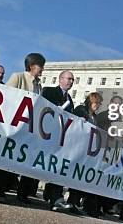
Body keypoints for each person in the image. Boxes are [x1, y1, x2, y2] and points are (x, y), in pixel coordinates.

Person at [0, 53, 45, 203]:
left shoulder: (39, 85)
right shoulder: (18, 77)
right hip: (12, 125)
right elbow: (5, 97)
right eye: (41, 66)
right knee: (4, 158)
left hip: (28, 129)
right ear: (32, 65)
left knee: (22, 161)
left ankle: (22, 195)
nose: (42, 69)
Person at [40, 70, 75, 211]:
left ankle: (54, 196)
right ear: (60, 79)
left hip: (59, 138)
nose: (71, 82)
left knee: (57, 166)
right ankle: (24, 193)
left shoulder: (70, 100)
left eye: (72, 80)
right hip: (44, 132)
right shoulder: (48, 91)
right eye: (68, 79)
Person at [68, 92, 103, 217]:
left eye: (99, 104)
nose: (98, 106)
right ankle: (71, 201)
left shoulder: (95, 117)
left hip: (88, 151)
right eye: (96, 103)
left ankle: (75, 202)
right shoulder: (81, 110)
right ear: (90, 101)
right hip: (77, 146)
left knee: (80, 176)